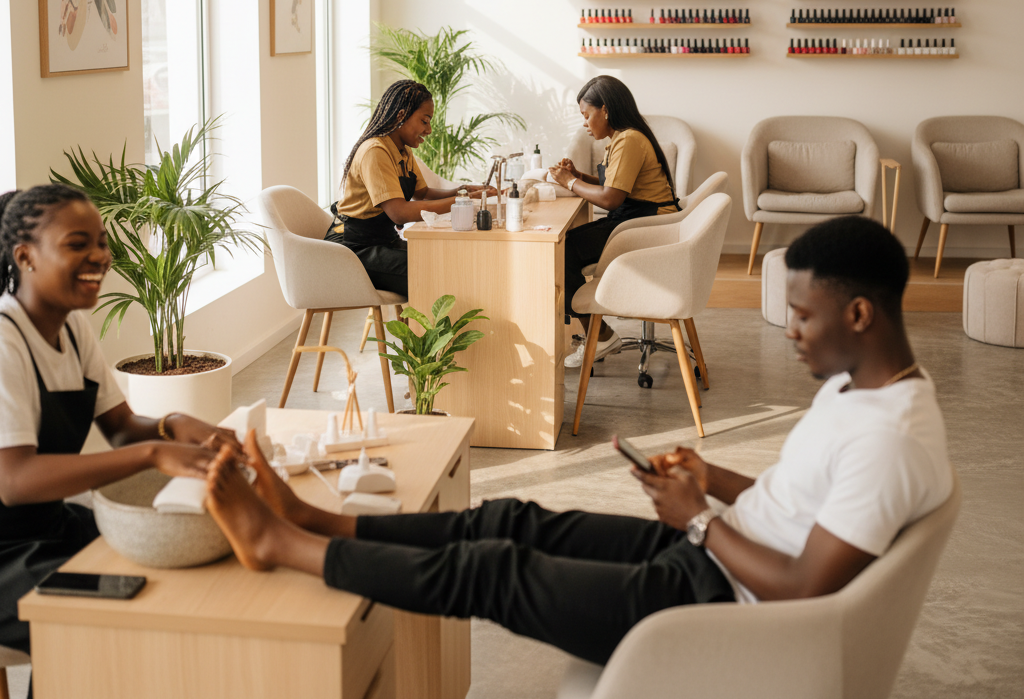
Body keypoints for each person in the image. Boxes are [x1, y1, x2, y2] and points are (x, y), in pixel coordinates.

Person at [205, 215, 952, 667]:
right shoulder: (859, 389)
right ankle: (323, 522)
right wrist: (710, 478)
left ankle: (282, 545)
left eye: (803, 316)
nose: (789, 330)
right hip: (713, 553)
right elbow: (800, 514)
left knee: (494, 572)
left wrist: (694, 516)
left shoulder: (891, 442)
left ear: (858, 315)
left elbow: (803, 586)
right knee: (511, 521)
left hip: (718, 605)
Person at [0, 185, 240, 657]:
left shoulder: (71, 326)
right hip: (7, 553)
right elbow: (14, 480)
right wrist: (154, 452)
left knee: (170, 574)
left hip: (49, 526)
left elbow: (121, 429)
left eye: (102, 242)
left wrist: (173, 425)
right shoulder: (6, 343)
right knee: (119, 624)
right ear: (25, 256)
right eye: (77, 243)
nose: (100, 256)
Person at [547, 76, 680, 366]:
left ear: (604, 110)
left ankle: (601, 336)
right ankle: (597, 332)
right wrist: (580, 177)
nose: (585, 123)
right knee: (569, 246)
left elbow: (610, 199)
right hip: (640, 218)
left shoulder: (629, 139)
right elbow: (619, 185)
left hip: (649, 226)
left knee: (563, 250)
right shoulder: (624, 137)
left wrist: (569, 182)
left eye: (586, 115)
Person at [325, 79, 493, 296]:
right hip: (352, 251)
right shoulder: (375, 151)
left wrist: (463, 191)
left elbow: (423, 193)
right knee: (436, 272)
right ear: (401, 115)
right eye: (425, 121)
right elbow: (399, 213)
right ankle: (427, 331)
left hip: (383, 242)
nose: (429, 130)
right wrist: (462, 202)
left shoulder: (401, 149)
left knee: (449, 260)